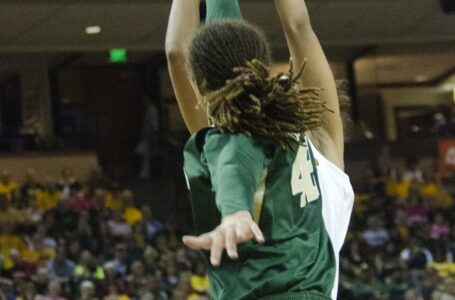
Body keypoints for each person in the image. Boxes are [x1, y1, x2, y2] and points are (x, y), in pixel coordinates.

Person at [166, 0, 354, 299]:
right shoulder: (322, 147)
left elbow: (177, 53)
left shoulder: (213, 143)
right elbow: (298, 25)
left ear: (202, 89)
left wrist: (235, 212)